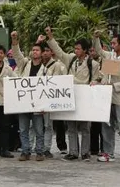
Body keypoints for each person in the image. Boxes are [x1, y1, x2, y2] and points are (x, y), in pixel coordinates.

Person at [46, 27, 100, 161]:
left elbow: (97, 78)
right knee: (71, 126)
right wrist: (50, 37)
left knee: (85, 127)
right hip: (70, 96)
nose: (76, 51)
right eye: (75, 48)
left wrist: (94, 83)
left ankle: (85, 152)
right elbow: (59, 52)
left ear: (85, 50)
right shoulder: (70, 59)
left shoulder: (92, 64)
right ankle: (73, 152)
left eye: (78, 49)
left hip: (85, 97)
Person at [93, 32, 120, 164]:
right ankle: (108, 153)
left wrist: (115, 85)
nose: (112, 45)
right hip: (107, 97)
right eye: (111, 43)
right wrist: (96, 38)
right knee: (107, 126)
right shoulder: (109, 56)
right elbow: (99, 50)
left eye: (114, 43)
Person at [11, 31, 46, 162]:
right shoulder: (25, 63)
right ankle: (25, 151)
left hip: (38, 103)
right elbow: (16, 54)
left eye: (37, 50)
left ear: (42, 53)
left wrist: (46, 104)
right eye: (33, 50)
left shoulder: (46, 68)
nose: (34, 52)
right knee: (23, 129)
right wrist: (15, 40)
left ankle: (40, 152)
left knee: (39, 130)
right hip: (24, 102)